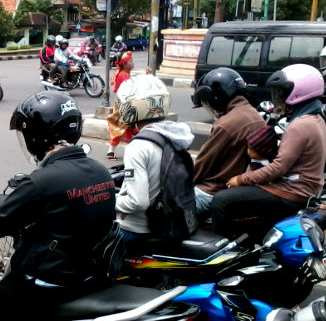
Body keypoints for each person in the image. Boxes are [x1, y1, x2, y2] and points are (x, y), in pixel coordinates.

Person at [0, 91, 116, 321]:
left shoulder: (42, 181)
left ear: (37, 135)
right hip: (88, 273)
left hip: (48, 280)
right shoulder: (100, 170)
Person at [214, 64, 326, 241]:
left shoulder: (300, 126)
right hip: (305, 189)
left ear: (298, 93)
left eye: (282, 91)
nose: (278, 97)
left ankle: (220, 252)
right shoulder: (315, 119)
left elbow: (278, 168)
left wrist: (241, 179)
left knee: (221, 200)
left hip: (292, 192)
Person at [115, 75, 194, 243]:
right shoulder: (176, 137)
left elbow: (137, 202)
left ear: (132, 107)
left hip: (136, 229)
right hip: (168, 223)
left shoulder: (138, 147)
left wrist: (109, 201)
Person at [191, 67, 266, 215]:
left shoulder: (226, 124)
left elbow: (204, 163)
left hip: (212, 191)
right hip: (238, 187)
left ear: (216, 97)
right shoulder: (254, 115)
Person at [106, 52, 137, 160]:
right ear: (124, 64)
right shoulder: (123, 75)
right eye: (130, 62)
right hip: (124, 105)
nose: (132, 63)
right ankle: (111, 151)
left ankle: (128, 152)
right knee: (120, 127)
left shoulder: (125, 74)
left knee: (130, 128)